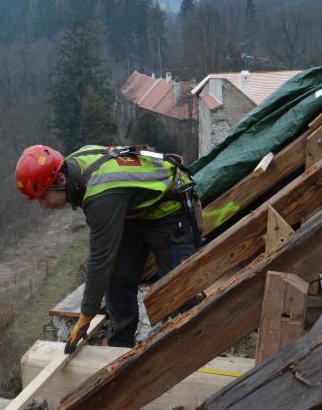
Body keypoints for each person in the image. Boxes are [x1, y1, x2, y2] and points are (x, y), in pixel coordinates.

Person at [14, 143, 199, 352]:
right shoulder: (74, 165)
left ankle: (192, 346)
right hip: (133, 211)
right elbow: (107, 263)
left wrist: (86, 316)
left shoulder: (100, 196)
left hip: (168, 208)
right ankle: (118, 346)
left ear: (61, 180)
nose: (43, 205)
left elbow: (100, 259)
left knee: (179, 287)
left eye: (43, 197)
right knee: (118, 275)